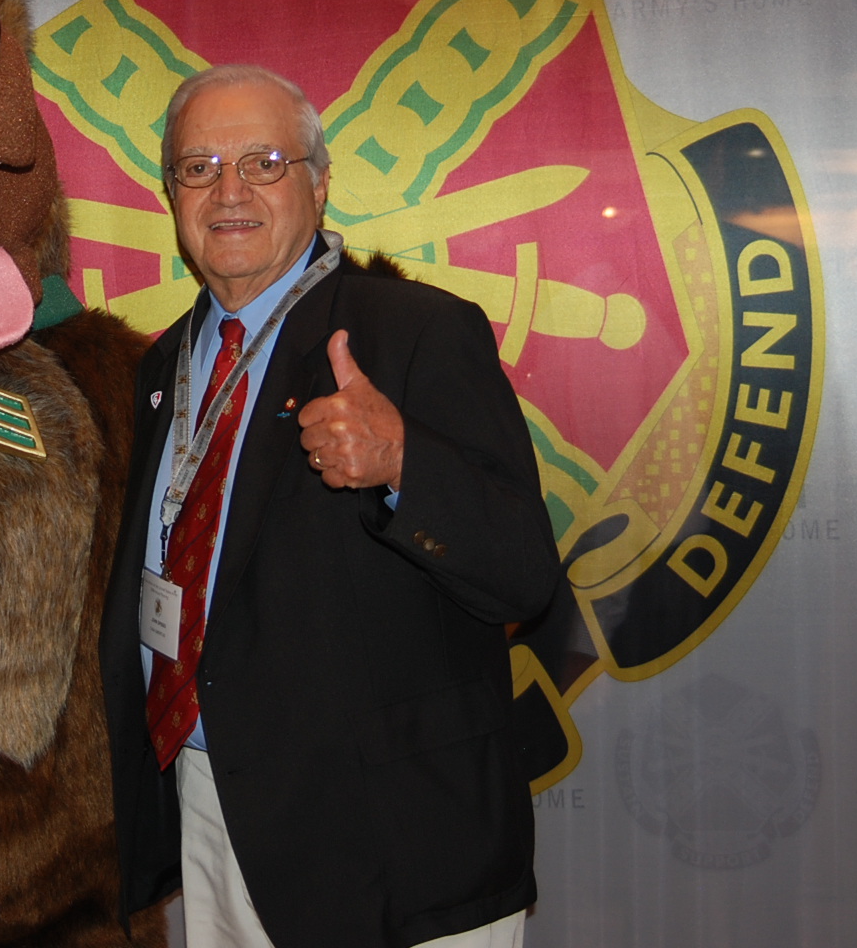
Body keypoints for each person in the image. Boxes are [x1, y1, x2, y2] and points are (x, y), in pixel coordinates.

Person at [99, 64, 562, 948]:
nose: (228, 191)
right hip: (211, 800)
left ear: (318, 181)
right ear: (170, 196)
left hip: (391, 839)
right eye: (197, 168)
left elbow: (523, 575)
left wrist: (402, 464)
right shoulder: (161, 370)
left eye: (263, 162)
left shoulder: (419, 332)